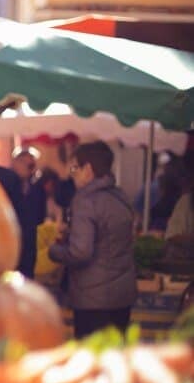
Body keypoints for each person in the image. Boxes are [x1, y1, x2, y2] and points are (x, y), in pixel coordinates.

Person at [49, 141, 136, 339]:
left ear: (88, 169)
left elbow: (81, 252)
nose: (72, 174)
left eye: (74, 168)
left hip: (93, 300)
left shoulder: (85, 201)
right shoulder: (120, 197)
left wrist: (54, 251)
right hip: (122, 297)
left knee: (92, 361)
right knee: (115, 360)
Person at [12, 150, 47, 278]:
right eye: (24, 163)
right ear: (15, 162)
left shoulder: (37, 189)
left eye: (31, 165)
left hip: (28, 245)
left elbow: (40, 217)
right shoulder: (6, 184)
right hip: (11, 242)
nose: (28, 168)